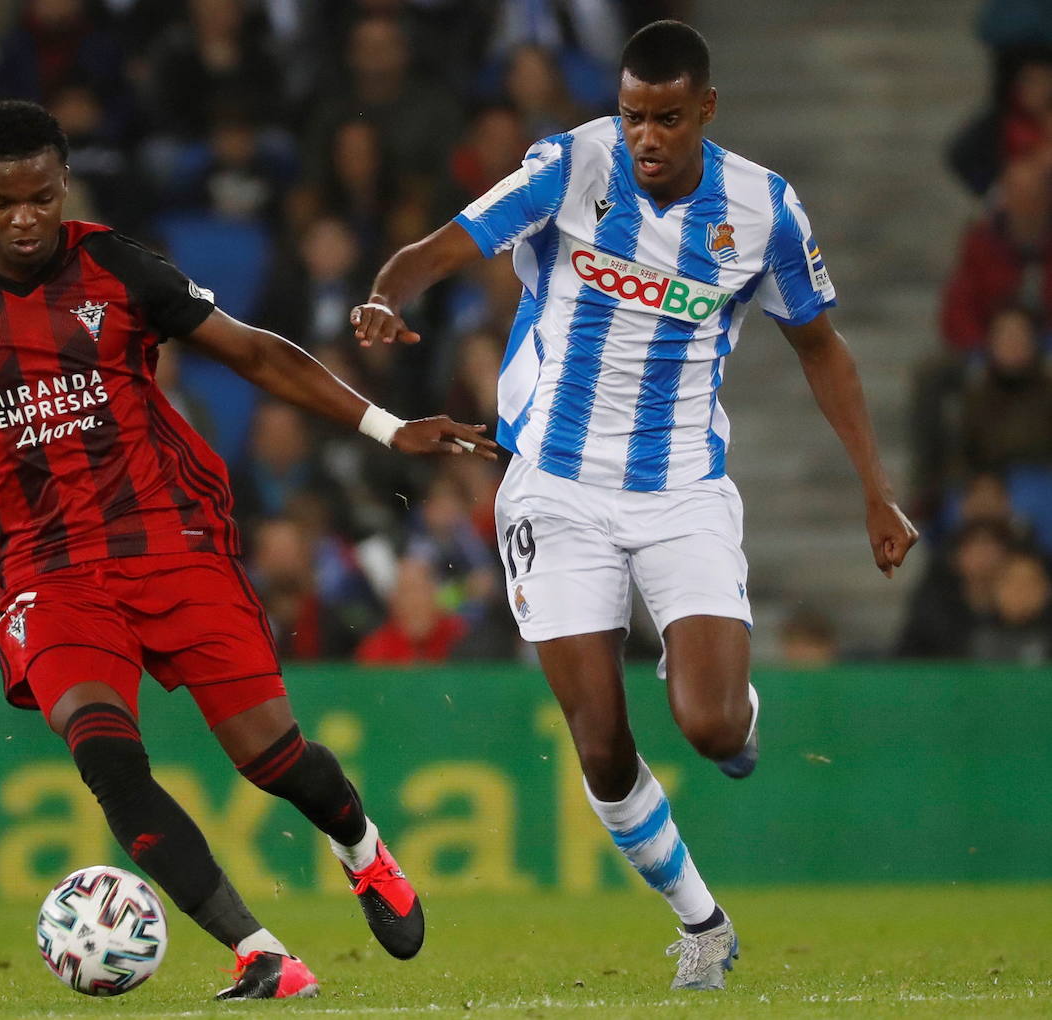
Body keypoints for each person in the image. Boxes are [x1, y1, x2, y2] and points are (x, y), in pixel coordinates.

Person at [0, 100, 495, 1001]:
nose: (26, 218)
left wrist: (389, 429)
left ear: (64, 184)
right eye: (4, 203)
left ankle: (363, 848)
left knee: (272, 762)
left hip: (170, 544)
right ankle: (261, 954)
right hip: (50, 572)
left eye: (41, 196)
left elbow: (255, 355)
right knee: (108, 759)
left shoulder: (118, 268)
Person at [350, 20, 918, 991]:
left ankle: (734, 708)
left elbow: (820, 347)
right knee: (602, 743)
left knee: (709, 729)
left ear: (705, 110)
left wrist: (876, 490)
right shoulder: (571, 166)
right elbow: (441, 245)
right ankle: (702, 923)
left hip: (681, 493)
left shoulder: (764, 209)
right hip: (555, 491)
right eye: (631, 115)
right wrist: (383, 295)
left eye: (664, 118)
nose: (645, 137)